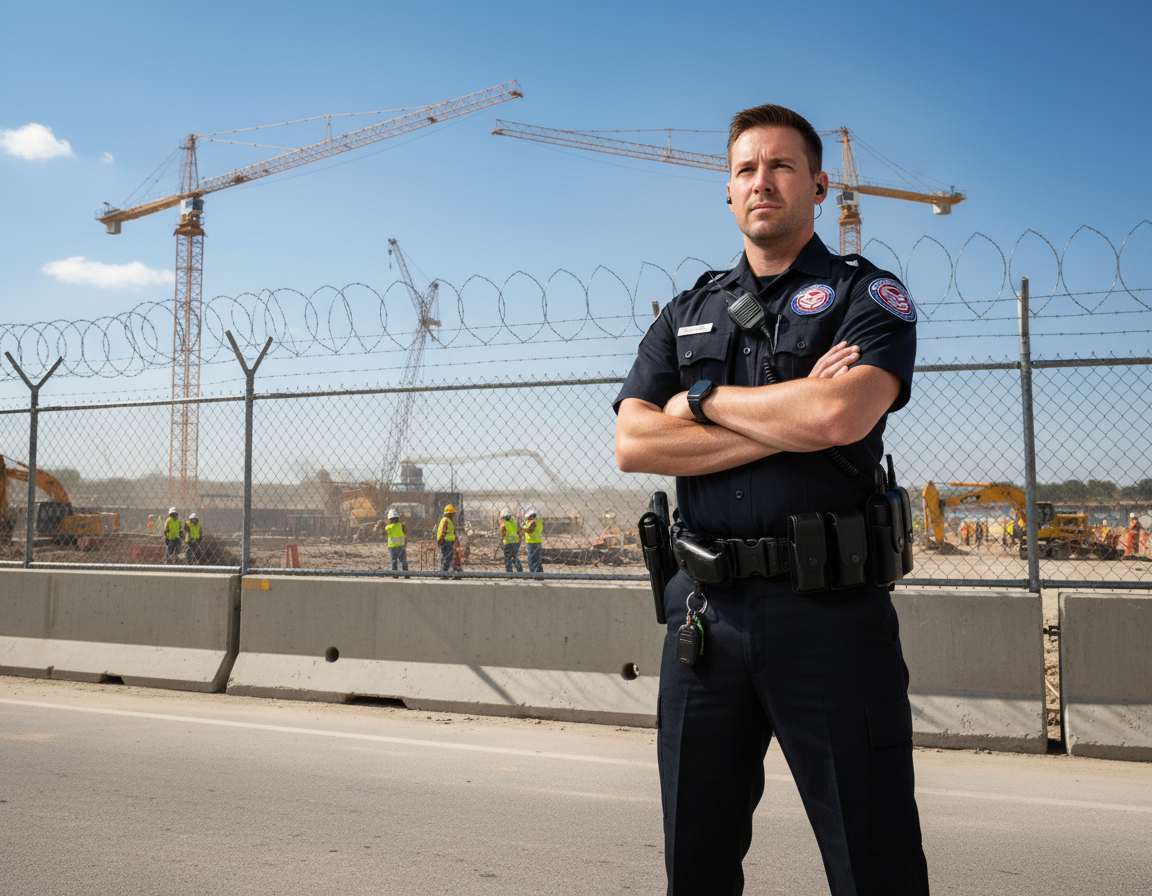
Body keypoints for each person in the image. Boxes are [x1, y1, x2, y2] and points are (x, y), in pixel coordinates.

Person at [613, 104, 928, 894]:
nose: (764, 182)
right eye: (748, 169)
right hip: (704, 619)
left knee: (872, 859)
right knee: (696, 862)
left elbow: (839, 413)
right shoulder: (686, 312)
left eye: (783, 166)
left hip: (828, 613)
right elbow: (634, 444)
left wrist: (700, 400)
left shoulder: (867, 295)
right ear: (727, 191)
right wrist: (785, 419)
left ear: (819, 185)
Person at [385, 507, 408, 573]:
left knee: (394, 560)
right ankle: (406, 573)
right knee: (403, 560)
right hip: (401, 546)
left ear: (390, 520)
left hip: (392, 547)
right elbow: (406, 532)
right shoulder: (402, 526)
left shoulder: (388, 527)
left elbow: (384, 530)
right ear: (398, 518)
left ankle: (395, 574)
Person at [500, 508, 523, 573]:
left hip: (508, 542)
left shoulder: (504, 525)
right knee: (514, 556)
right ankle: (520, 571)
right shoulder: (513, 521)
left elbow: (503, 535)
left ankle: (509, 573)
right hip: (516, 541)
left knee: (507, 558)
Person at [436, 504, 458, 573]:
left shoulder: (448, 520)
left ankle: (444, 572)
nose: (453, 516)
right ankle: (444, 572)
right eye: (452, 514)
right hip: (446, 542)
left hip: (448, 542)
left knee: (446, 558)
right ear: (449, 514)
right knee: (448, 558)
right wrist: (440, 540)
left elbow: (451, 532)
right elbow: (443, 531)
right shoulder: (446, 520)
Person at [523, 509, 544, 573]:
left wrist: (523, 524)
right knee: (537, 557)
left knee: (531, 558)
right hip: (538, 541)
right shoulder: (539, 521)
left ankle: (533, 573)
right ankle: (539, 572)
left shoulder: (530, 522)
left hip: (531, 541)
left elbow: (525, 528)